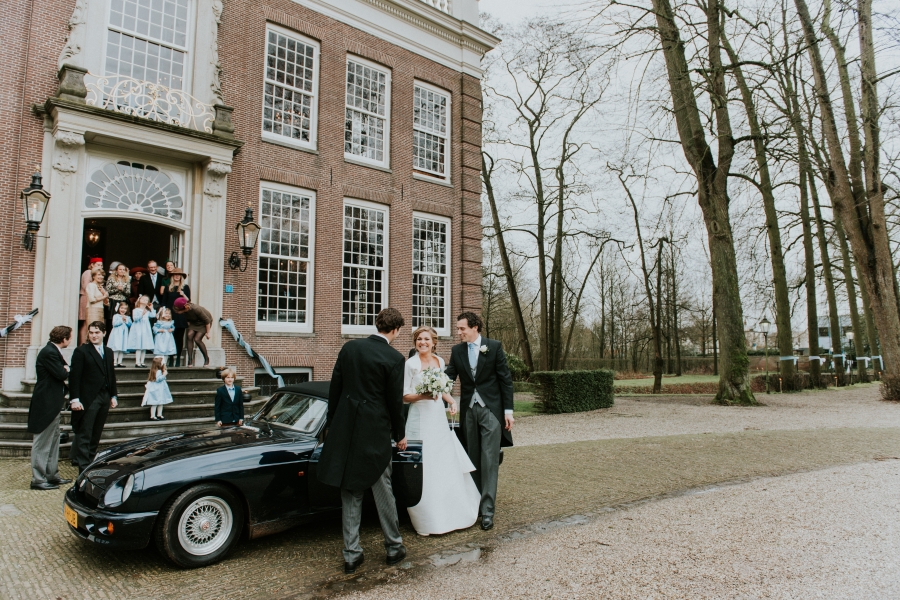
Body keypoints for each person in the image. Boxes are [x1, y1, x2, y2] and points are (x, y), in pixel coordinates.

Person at [317, 307, 408, 574]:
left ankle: (352, 554)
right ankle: (393, 547)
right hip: (375, 431)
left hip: (346, 428)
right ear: (395, 330)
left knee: (350, 491)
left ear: (376, 324)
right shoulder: (394, 357)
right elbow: (394, 402)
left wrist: (333, 422)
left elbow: (335, 387)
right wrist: (399, 432)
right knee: (383, 490)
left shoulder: (350, 348)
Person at [403, 326, 480, 535]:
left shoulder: (440, 361)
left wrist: (451, 401)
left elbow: (443, 388)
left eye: (426, 339)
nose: (422, 342)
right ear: (415, 342)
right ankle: (428, 521)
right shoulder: (410, 364)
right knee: (424, 465)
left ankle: (454, 514)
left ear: (433, 342)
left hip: (437, 418)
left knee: (443, 462)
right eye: (419, 339)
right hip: (419, 418)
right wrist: (423, 396)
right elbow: (404, 396)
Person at [443, 312, 515, 532]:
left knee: (489, 459)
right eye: (457, 329)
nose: (459, 332)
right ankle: (473, 505)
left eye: (462, 328)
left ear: (474, 327)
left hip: (491, 410)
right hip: (468, 411)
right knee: (472, 458)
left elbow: (505, 379)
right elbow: (449, 376)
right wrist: (433, 383)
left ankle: (487, 511)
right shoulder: (457, 351)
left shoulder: (493, 347)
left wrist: (508, 411)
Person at [27, 326, 74, 490]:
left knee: (53, 441)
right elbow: (62, 373)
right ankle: (38, 479)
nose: (71, 340)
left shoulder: (52, 350)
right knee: (42, 442)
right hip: (45, 404)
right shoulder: (49, 352)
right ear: (64, 338)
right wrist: (66, 369)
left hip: (52, 403)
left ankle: (51, 475)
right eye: (70, 337)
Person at [69, 321, 118, 472]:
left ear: (104, 333)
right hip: (88, 398)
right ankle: (83, 467)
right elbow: (74, 377)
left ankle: (90, 461)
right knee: (85, 433)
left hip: (104, 396)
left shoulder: (108, 351)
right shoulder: (81, 351)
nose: (94, 335)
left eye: (97, 332)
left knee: (96, 432)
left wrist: (113, 395)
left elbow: (111, 375)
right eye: (91, 333)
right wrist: (74, 399)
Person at [161, 268, 191, 366]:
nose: (177, 276)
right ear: (172, 276)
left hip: (181, 315)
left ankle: (178, 358)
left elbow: (188, 301)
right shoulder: (167, 287)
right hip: (170, 315)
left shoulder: (185, 287)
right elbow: (164, 302)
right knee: (170, 337)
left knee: (179, 338)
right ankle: (170, 358)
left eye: (179, 274)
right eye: (175, 274)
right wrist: (163, 313)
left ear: (181, 276)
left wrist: (183, 295)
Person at [172, 297, 212, 367]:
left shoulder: (196, 309)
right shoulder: (185, 310)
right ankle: (190, 360)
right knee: (189, 335)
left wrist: (208, 333)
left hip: (204, 322)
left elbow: (207, 321)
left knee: (197, 339)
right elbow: (188, 318)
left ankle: (206, 359)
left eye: (178, 310)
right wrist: (189, 324)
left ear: (183, 308)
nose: (177, 312)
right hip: (194, 322)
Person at [78, 258, 103, 343]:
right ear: (92, 264)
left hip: (92, 299)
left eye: (101, 265)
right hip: (86, 298)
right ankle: (83, 343)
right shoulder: (88, 272)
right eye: (98, 265)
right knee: (86, 322)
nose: (100, 267)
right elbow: (86, 286)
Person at [128, 295, 156, 367]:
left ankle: (142, 361)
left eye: (146, 300)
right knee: (139, 346)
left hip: (145, 329)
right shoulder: (136, 310)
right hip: (138, 328)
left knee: (144, 346)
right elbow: (135, 319)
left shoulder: (147, 311)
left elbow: (153, 315)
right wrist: (142, 314)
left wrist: (151, 308)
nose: (144, 300)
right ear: (139, 300)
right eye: (143, 299)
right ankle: (137, 362)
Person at [83, 269, 108, 340]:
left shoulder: (100, 287)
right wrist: (103, 297)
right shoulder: (91, 285)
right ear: (93, 276)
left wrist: (104, 294)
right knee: (92, 329)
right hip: (92, 310)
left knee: (100, 330)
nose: (101, 277)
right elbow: (92, 299)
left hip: (100, 310)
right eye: (99, 275)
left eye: (102, 275)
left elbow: (106, 303)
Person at [108, 302, 132, 367]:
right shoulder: (116, 316)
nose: (123, 310)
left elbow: (130, 324)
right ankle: (115, 361)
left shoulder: (128, 317)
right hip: (117, 334)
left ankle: (120, 362)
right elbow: (114, 324)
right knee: (116, 347)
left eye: (125, 309)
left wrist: (126, 320)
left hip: (124, 335)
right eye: (122, 308)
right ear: (119, 308)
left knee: (122, 348)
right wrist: (121, 320)